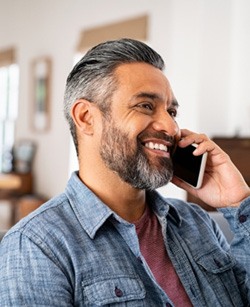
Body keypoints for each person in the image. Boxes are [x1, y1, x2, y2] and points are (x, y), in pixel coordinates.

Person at [0, 38, 250, 306]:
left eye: (172, 111)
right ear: (86, 117)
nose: (170, 126)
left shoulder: (196, 222)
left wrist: (238, 202)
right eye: (145, 105)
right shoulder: (37, 245)